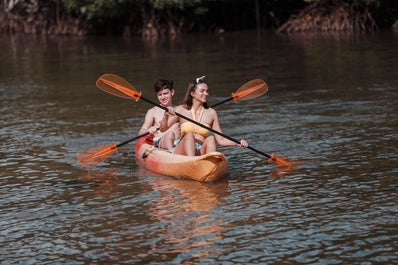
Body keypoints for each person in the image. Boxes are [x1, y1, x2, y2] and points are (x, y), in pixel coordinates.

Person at [160, 76, 248, 156]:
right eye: (202, 91)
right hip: (182, 150)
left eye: (206, 91)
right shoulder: (180, 110)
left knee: (211, 138)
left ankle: (211, 163)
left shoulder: (211, 113)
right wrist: (166, 116)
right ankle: (191, 162)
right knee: (189, 135)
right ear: (192, 93)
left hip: (200, 150)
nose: (206, 93)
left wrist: (237, 142)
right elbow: (163, 129)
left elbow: (221, 140)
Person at [138, 79, 180, 149]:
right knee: (170, 134)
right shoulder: (152, 111)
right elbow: (141, 132)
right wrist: (148, 131)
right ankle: (171, 155)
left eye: (165, 93)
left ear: (172, 92)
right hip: (160, 143)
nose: (163, 97)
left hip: (178, 142)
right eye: (160, 95)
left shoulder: (180, 110)